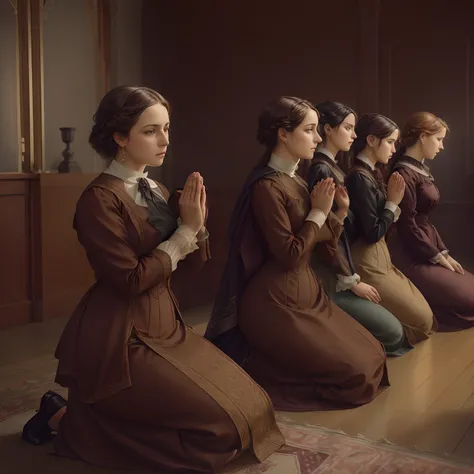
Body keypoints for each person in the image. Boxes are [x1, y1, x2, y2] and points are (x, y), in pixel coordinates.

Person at [21, 86, 284, 473]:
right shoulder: (98, 201)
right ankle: (68, 421)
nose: (164, 140)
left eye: (166, 128)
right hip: (123, 337)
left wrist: (198, 224)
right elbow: (130, 280)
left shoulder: (157, 189)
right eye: (150, 131)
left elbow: (191, 268)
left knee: (257, 406)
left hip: (166, 325)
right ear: (120, 137)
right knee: (223, 430)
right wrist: (183, 233)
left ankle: (87, 417)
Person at [206, 96, 388, 412]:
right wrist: (318, 213)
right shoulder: (266, 187)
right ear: (283, 134)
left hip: (309, 295)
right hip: (275, 302)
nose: (318, 139)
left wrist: (339, 213)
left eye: (318, 130)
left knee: (374, 355)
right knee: (356, 375)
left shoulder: (298, 181)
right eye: (310, 130)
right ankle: (257, 368)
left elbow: (323, 238)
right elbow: (290, 254)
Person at [307, 101, 410, 356]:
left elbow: (339, 229)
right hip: (329, 272)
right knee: (393, 333)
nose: (354, 135)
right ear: (328, 130)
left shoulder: (334, 167)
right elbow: (327, 238)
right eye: (348, 128)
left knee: (397, 330)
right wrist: (351, 280)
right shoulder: (322, 169)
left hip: (347, 263)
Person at [346, 113, 435, 344]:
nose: (394, 149)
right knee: (421, 322)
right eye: (389, 142)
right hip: (366, 258)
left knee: (427, 318)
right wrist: (393, 203)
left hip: (382, 256)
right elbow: (373, 232)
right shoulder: (359, 178)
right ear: (371, 140)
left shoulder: (373, 173)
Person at [388, 112, 474, 330]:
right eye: (439, 139)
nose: (442, 146)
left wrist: (443, 252)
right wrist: (435, 256)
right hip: (409, 253)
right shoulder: (403, 174)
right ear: (423, 137)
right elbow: (407, 226)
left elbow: (426, 221)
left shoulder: (420, 170)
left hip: (426, 246)